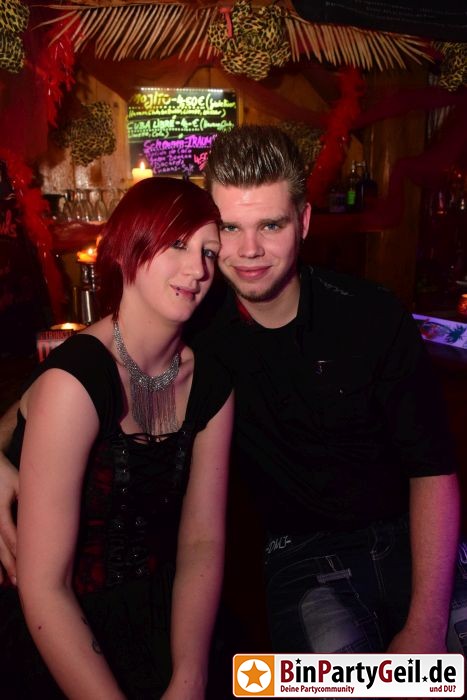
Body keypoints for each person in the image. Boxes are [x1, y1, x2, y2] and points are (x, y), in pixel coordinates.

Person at [1, 125, 466, 656]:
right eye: (229, 227)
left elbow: (433, 471)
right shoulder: (193, 319)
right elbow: (79, 371)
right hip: (302, 556)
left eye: (270, 225)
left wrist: (426, 624)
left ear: (303, 221)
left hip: (415, 539)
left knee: (444, 680)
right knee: (343, 690)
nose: (249, 251)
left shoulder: (371, 314)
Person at [0, 176, 233, 699]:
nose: (198, 269)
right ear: (129, 246)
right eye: (178, 244)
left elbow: (202, 542)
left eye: (209, 252)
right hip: (57, 623)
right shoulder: (77, 382)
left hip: (166, 609)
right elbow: (45, 586)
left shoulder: (211, 383)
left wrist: (190, 675)